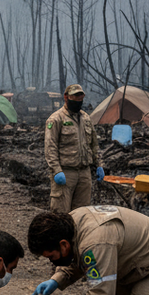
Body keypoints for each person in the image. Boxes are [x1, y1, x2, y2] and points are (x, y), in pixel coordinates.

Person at [44, 84, 104, 213]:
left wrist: (99, 164)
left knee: (82, 213)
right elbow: (50, 147)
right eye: (75, 96)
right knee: (61, 213)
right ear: (66, 97)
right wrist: (56, 170)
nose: (78, 100)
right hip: (66, 172)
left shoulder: (86, 118)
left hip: (84, 173)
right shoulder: (56, 119)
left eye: (80, 97)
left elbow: (94, 144)